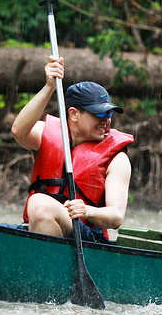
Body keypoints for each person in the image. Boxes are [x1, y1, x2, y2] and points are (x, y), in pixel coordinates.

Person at [10, 55, 134, 243]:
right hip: (42, 223)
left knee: (39, 203)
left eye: (109, 113)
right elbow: (18, 131)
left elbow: (116, 216)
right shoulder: (49, 134)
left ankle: (43, 267)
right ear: (74, 114)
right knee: (38, 208)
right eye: (99, 113)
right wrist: (49, 87)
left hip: (88, 238)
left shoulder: (117, 159)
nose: (106, 120)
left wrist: (87, 210)